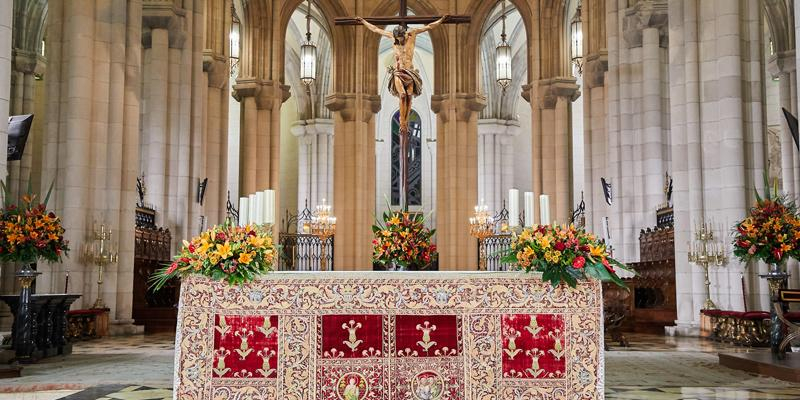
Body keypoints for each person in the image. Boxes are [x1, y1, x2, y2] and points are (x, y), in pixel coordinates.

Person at [356, 16, 447, 134]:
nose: (399, 41)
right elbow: (375, 29)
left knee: (409, 96)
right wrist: (363, 21)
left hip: (410, 73)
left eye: (401, 38)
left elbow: (429, 27)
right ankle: (402, 122)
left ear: (404, 34)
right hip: (398, 72)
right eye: (398, 39)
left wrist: (441, 20)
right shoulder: (392, 38)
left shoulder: (412, 34)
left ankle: (406, 121)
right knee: (403, 95)